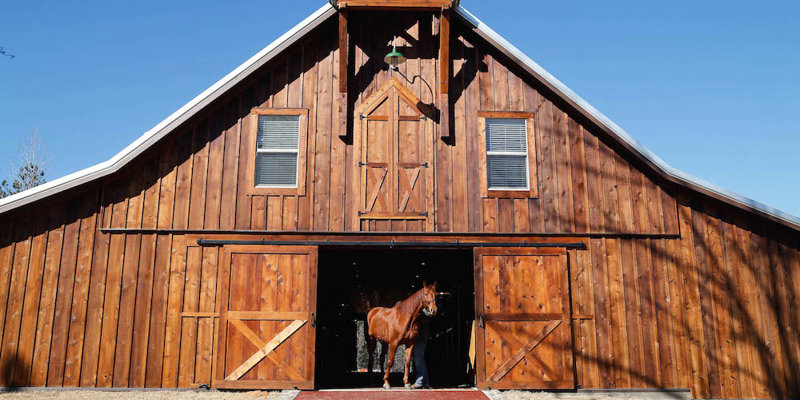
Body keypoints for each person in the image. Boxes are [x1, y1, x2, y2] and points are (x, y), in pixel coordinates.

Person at [411, 312, 430, 389]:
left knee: (418, 360)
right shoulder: (423, 317)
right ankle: (425, 382)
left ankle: (419, 382)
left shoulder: (422, 317)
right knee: (421, 360)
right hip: (421, 340)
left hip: (420, 340)